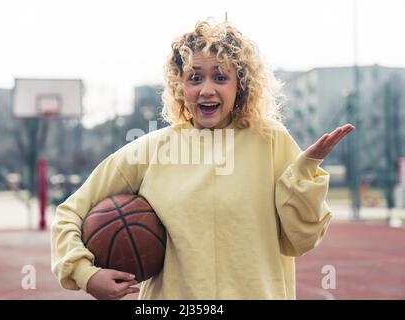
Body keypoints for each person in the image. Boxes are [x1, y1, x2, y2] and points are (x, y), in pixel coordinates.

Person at [51, 18, 354, 300]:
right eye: (195, 78)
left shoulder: (271, 141)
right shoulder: (151, 150)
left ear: (241, 85)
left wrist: (304, 175)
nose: (207, 90)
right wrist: (85, 274)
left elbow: (302, 239)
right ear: (180, 87)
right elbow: (70, 213)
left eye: (221, 77)